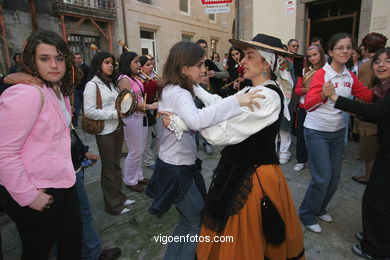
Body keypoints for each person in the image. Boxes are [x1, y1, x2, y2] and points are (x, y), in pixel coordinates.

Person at [164, 34, 305, 260]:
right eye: (244, 56)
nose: (243, 62)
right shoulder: (252, 90)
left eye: (250, 56)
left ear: (267, 63)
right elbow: (222, 106)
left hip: (254, 175)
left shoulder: (267, 96)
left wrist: (182, 121)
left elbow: (224, 132)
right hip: (236, 167)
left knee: (246, 239)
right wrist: (195, 87)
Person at [145, 41, 262, 260]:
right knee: (194, 224)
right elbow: (196, 120)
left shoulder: (176, 87)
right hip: (177, 169)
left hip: (176, 165)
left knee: (186, 221)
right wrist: (237, 101)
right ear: (183, 69)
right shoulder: (179, 92)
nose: (204, 69)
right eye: (199, 65)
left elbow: (201, 106)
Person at [0, 30, 82, 259]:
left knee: (72, 246)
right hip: (36, 189)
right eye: (44, 58)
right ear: (32, 62)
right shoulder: (27, 93)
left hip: (64, 182)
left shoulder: (57, 90)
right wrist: (29, 196)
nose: (54, 65)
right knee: (37, 251)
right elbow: (4, 152)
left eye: (59, 58)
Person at [299, 33, 373, 234]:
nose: (346, 51)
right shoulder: (322, 74)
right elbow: (308, 105)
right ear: (330, 52)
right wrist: (323, 94)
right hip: (317, 132)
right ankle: (306, 213)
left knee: (334, 178)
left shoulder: (349, 76)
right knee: (322, 177)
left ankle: (320, 207)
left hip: (337, 132)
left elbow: (365, 95)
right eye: (340, 48)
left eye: (349, 47)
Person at [322, 47, 390, 260]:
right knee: (378, 198)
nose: (380, 65)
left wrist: (335, 98)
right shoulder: (383, 89)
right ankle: (375, 236)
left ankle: (377, 249)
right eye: (377, 61)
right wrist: (357, 112)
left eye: (387, 61)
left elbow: (377, 112)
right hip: (385, 149)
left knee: (375, 200)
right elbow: (382, 116)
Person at [84, 51, 133, 215]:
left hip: (117, 127)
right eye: (107, 62)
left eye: (112, 63)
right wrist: (115, 114)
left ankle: (119, 197)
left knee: (116, 165)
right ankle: (112, 205)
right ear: (98, 64)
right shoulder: (92, 85)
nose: (111, 65)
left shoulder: (110, 83)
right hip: (105, 131)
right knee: (108, 169)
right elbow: (89, 111)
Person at [70, 128, 123, 260]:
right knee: (83, 215)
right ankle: (93, 254)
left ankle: (89, 250)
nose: (72, 113)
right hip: (65, 171)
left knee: (80, 215)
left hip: (74, 166)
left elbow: (69, 132)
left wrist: (83, 151)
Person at [117, 51, 158, 192]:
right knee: (134, 151)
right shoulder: (124, 79)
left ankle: (138, 176)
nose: (139, 64)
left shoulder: (133, 77)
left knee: (139, 149)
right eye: (136, 61)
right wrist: (149, 106)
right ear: (127, 63)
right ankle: (129, 179)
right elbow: (128, 102)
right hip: (132, 117)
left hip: (141, 116)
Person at [352, 32, 388, 185]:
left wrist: (357, 110)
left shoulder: (368, 65)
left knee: (369, 150)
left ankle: (369, 177)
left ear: (366, 48)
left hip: (370, 115)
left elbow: (363, 91)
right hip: (377, 112)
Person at [293, 44, 326, 172]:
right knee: (301, 134)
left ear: (321, 55)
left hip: (319, 107)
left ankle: (317, 162)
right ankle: (301, 160)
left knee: (317, 136)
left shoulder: (327, 71)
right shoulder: (304, 71)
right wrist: (305, 90)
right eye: (309, 56)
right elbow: (297, 90)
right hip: (303, 107)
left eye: (315, 55)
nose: (312, 58)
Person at [138, 55, 160, 170]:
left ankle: (156, 155)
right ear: (140, 67)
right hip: (144, 110)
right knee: (146, 139)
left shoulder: (154, 76)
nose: (151, 66)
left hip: (156, 109)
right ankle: (148, 160)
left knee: (160, 135)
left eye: (152, 64)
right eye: (148, 64)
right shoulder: (138, 78)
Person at [72, 53, 90, 127]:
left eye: (79, 58)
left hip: (85, 90)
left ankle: (87, 124)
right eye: (75, 58)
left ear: (82, 59)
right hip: (76, 90)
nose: (77, 60)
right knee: (76, 107)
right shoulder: (73, 67)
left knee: (86, 108)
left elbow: (88, 78)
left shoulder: (86, 67)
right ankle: (75, 123)